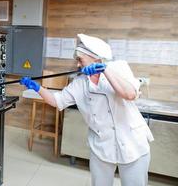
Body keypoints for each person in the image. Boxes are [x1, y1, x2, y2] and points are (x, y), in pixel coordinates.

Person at [20, 34, 154, 186]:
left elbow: (129, 94)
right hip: (101, 145)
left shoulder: (119, 67)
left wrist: (105, 70)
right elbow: (57, 101)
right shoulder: (80, 83)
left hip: (132, 142)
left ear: (95, 59)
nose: (77, 65)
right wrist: (38, 88)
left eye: (80, 59)